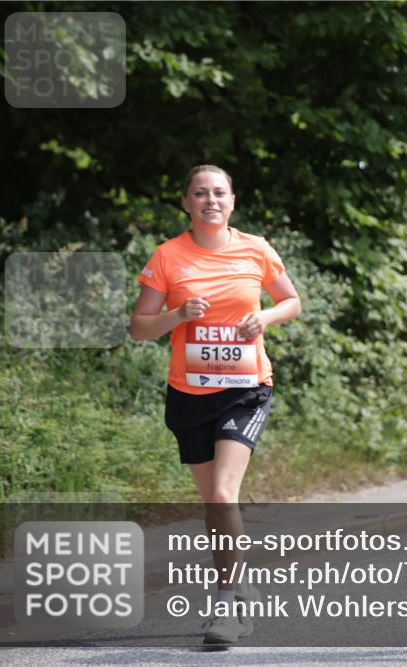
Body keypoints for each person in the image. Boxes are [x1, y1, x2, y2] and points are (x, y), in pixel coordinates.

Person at [130, 164, 301, 644]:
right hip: (189, 394)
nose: (210, 200)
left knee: (225, 495)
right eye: (200, 193)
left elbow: (292, 302)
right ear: (186, 203)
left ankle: (225, 606)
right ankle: (239, 583)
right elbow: (139, 327)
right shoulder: (168, 257)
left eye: (219, 193)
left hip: (246, 389)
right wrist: (178, 315)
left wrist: (264, 317)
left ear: (232, 200)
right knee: (213, 503)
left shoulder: (256, 248)